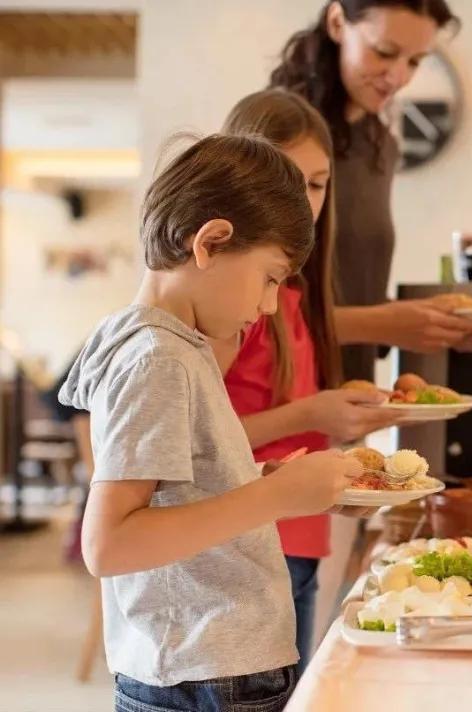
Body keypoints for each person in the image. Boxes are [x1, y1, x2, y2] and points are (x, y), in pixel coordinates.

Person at [58, 133, 364, 712]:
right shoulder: (158, 358)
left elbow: (173, 494)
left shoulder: (171, 345)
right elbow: (109, 543)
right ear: (212, 242)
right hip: (205, 672)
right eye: (271, 277)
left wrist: (263, 480)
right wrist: (271, 498)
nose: (271, 305)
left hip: (207, 666)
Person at [216, 88, 400, 672]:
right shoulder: (236, 302)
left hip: (299, 539)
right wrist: (313, 414)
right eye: (285, 181)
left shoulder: (290, 292)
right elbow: (198, 444)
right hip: (245, 549)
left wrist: (342, 422)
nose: (303, 202)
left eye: (317, 184)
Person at [270, 0, 472, 383]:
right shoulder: (283, 136)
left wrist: (430, 324)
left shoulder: (380, 145)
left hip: (350, 398)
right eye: (385, 52)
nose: (397, 77)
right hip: (284, 399)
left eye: (414, 62)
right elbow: (255, 316)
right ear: (338, 22)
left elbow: (351, 300)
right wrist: (385, 324)